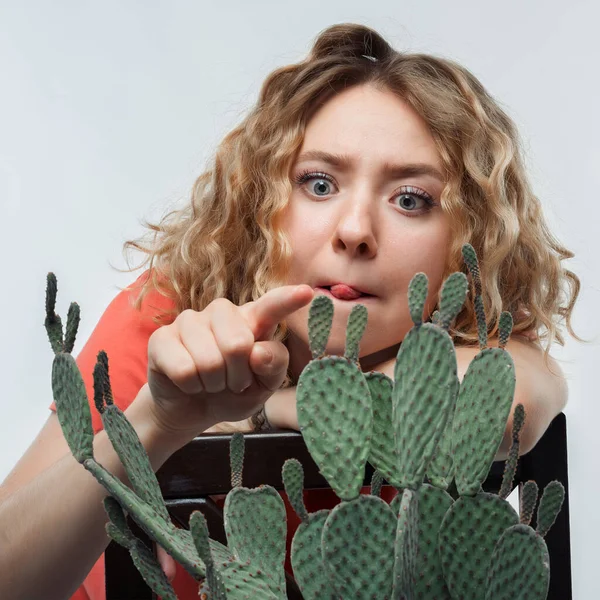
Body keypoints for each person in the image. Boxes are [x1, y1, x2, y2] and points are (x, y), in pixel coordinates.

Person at [0, 22, 584, 600]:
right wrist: (158, 422)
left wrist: (262, 410)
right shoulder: (171, 320)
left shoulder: (464, 348)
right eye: (320, 184)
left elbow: (520, 401)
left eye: (411, 199)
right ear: (264, 204)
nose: (355, 231)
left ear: (466, 244)